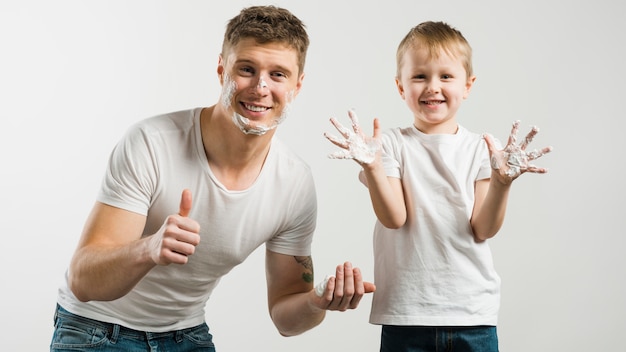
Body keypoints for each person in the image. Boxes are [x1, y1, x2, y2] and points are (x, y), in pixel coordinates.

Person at [50, 5, 375, 352]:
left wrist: (318, 301)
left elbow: (285, 315)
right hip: (96, 329)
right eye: (247, 69)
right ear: (222, 69)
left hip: (186, 334)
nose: (261, 87)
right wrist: (148, 249)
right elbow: (83, 280)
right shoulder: (151, 143)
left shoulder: (294, 184)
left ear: (298, 84)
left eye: (278, 74)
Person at [324, 21, 552, 351]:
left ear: (468, 85)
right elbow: (394, 218)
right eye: (420, 76)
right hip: (407, 315)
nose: (433, 86)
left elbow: (483, 228)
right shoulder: (390, 144)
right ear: (401, 87)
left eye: (446, 76)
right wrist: (373, 168)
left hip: (472, 314)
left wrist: (502, 183)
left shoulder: (480, 148)